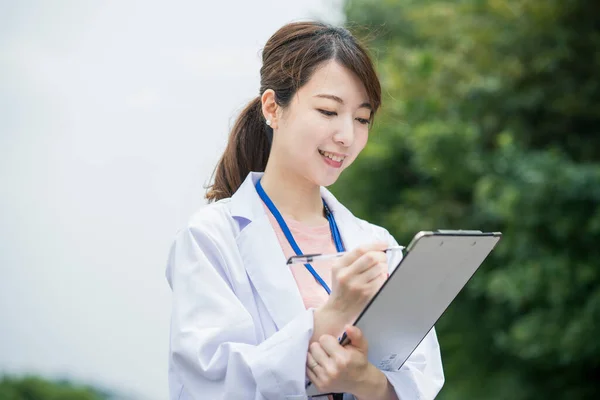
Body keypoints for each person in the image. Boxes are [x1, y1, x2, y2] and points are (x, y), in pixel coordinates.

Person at [165, 21, 444, 400]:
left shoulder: (377, 244)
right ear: (272, 108)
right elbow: (209, 384)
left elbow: (422, 378)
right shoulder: (212, 237)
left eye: (362, 119)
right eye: (329, 111)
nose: (346, 136)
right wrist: (332, 315)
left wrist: (364, 382)